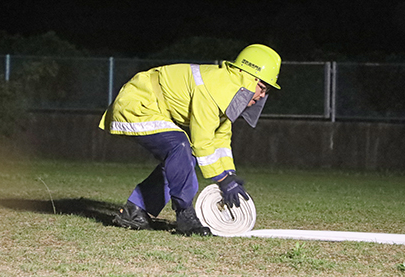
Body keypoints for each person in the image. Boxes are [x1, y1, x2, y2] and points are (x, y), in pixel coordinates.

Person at [99, 44, 282, 236]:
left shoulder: (224, 92)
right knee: (181, 145)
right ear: (245, 77)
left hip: (150, 106)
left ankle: (134, 211)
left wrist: (229, 174)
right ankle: (184, 214)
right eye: (261, 87)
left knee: (181, 156)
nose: (262, 95)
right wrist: (222, 179)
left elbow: (220, 140)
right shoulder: (212, 89)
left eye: (266, 90)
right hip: (137, 103)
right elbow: (202, 142)